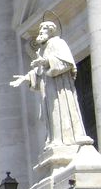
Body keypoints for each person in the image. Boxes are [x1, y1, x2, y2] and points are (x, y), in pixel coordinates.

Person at [11, 20, 93, 152]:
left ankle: (66, 139)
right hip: (49, 89)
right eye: (40, 30)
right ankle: (56, 139)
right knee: (53, 113)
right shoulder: (43, 49)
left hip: (60, 88)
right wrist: (26, 78)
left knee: (61, 110)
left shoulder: (58, 43)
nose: (40, 32)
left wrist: (47, 61)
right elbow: (41, 72)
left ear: (51, 31)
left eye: (43, 30)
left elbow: (67, 63)